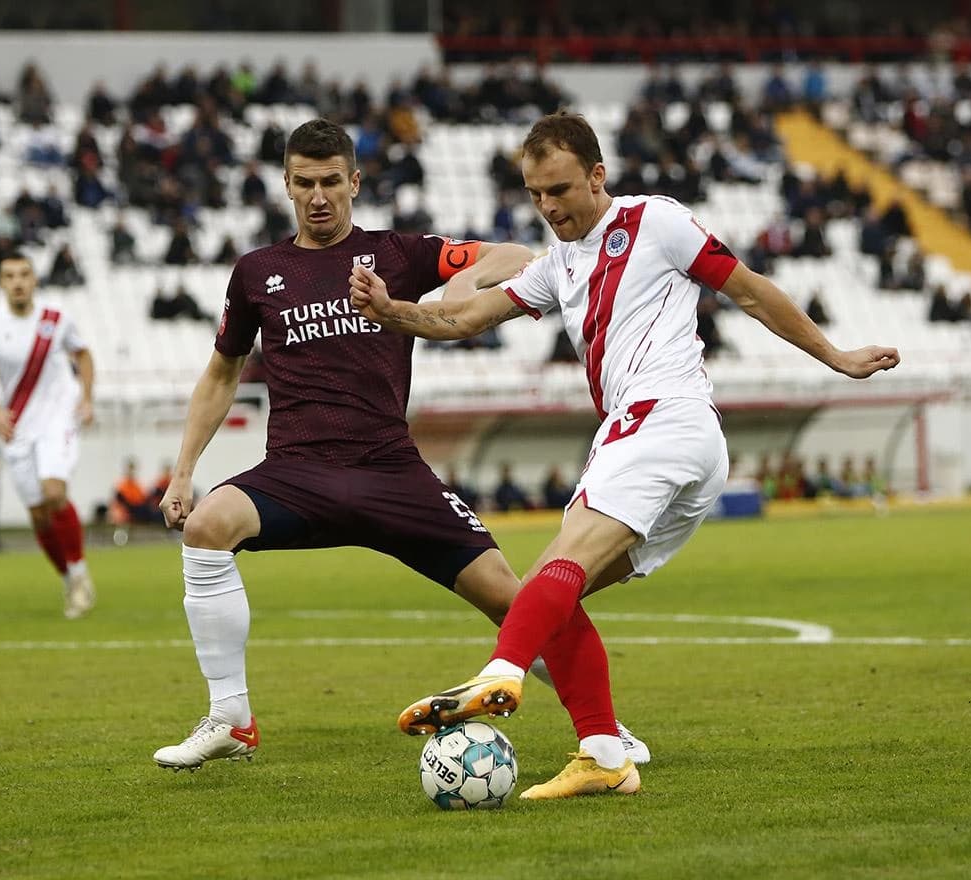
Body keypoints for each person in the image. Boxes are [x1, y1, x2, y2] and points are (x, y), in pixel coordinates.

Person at [350, 110, 899, 799]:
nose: (550, 207)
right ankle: (605, 753)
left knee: (555, 571)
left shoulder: (655, 221)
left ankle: (500, 674)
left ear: (597, 175)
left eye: (561, 190)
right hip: (680, 445)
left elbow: (751, 291)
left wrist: (838, 358)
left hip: (660, 418)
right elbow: (461, 319)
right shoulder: (555, 267)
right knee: (550, 596)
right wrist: (391, 309)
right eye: (536, 195)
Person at [152, 118, 649, 771]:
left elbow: (512, 255)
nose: (319, 196)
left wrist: (462, 286)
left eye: (332, 181)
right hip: (297, 473)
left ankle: (604, 728)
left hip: (392, 474)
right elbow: (222, 372)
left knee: (516, 596)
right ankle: (230, 719)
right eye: (305, 183)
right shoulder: (257, 273)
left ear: (355, 182)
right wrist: (183, 472)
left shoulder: (398, 253)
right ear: (286, 186)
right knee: (209, 527)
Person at [0, 251, 97, 618]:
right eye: (9, 276)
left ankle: (81, 576)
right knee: (38, 515)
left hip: (57, 418)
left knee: (54, 492)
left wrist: (86, 397)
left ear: (35, 279)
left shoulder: (56, 318)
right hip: (18, 425)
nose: (18, 282)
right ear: (1, 283)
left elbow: (83, 355)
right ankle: (70, 578)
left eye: (24, 274)